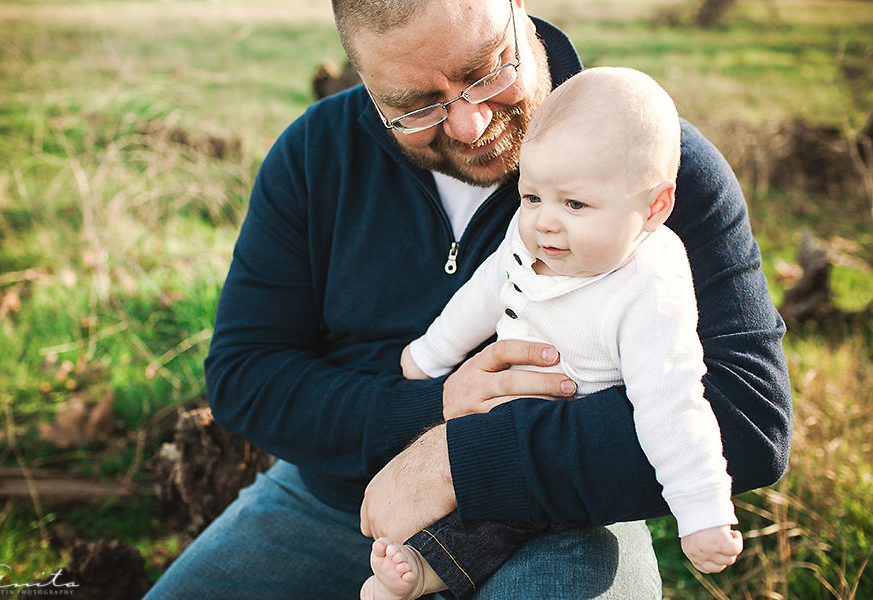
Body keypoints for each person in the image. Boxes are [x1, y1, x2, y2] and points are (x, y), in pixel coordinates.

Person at [144, 0, 792, 597]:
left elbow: (750, 418)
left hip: (559, 514)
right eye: (415, 105)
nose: (470, 122)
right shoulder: (315, 156)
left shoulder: (648, 161)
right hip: (337, 502)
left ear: (516, 10)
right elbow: (245, 376)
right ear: (363, 81)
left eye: (484, 71)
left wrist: (461, 459)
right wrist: (431, 408)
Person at [361, 66, 743, 600]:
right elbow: (484, 291)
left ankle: (427, 571)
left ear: (653, 208)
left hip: (566, 447)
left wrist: (702, 510)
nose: (544, 222)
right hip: (500, 419)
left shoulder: (648, 286)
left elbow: (672, 401)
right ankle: (417, 562)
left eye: (575, 204)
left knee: (512, 517)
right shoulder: (532, 241)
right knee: (463, 495)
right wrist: (430, 354)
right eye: (532, 196)